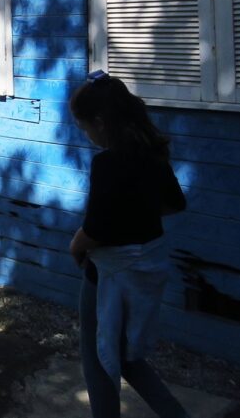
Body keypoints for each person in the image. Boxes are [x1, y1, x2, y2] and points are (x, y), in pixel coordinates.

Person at [68, 71, 189, 418]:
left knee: (96, 355)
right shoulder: (151, 154)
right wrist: (137, 215)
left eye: (84, 126)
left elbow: (96, 227)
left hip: (109, 271)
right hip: (148, 265)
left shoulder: (107, 162)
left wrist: (76, 245)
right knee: (126, 354)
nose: (86, 134)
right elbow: (174, 203)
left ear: (101, 122)